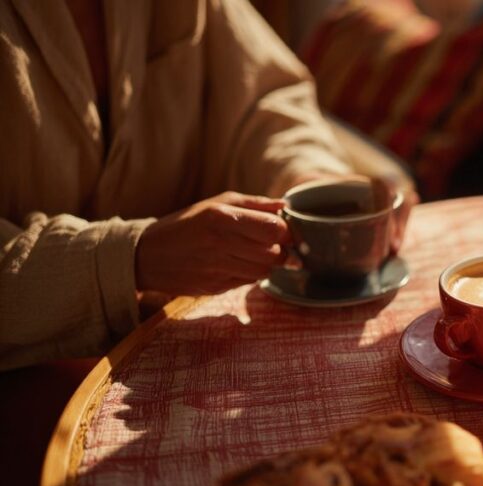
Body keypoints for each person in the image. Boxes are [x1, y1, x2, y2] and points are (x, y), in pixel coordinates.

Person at [0, 0, 414, 371]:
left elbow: (267, 98)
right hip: (33, 372)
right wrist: (133, 256)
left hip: (188, 331)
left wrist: (307, 179)